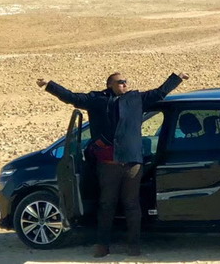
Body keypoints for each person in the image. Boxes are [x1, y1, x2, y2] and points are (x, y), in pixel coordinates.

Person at [37, 71, 188, 258]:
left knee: (132, 205)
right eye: (121, 82)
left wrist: (176, 78)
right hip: (107, 164)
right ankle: (102, 245)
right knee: (106, 204)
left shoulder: (136, 99)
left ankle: (134, 246)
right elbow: (71, 97)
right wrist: (49, 85)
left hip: (132, 164)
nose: (125, 84)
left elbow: (160, 92)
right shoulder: (96, 100)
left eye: (126, 81)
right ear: (110, 84)